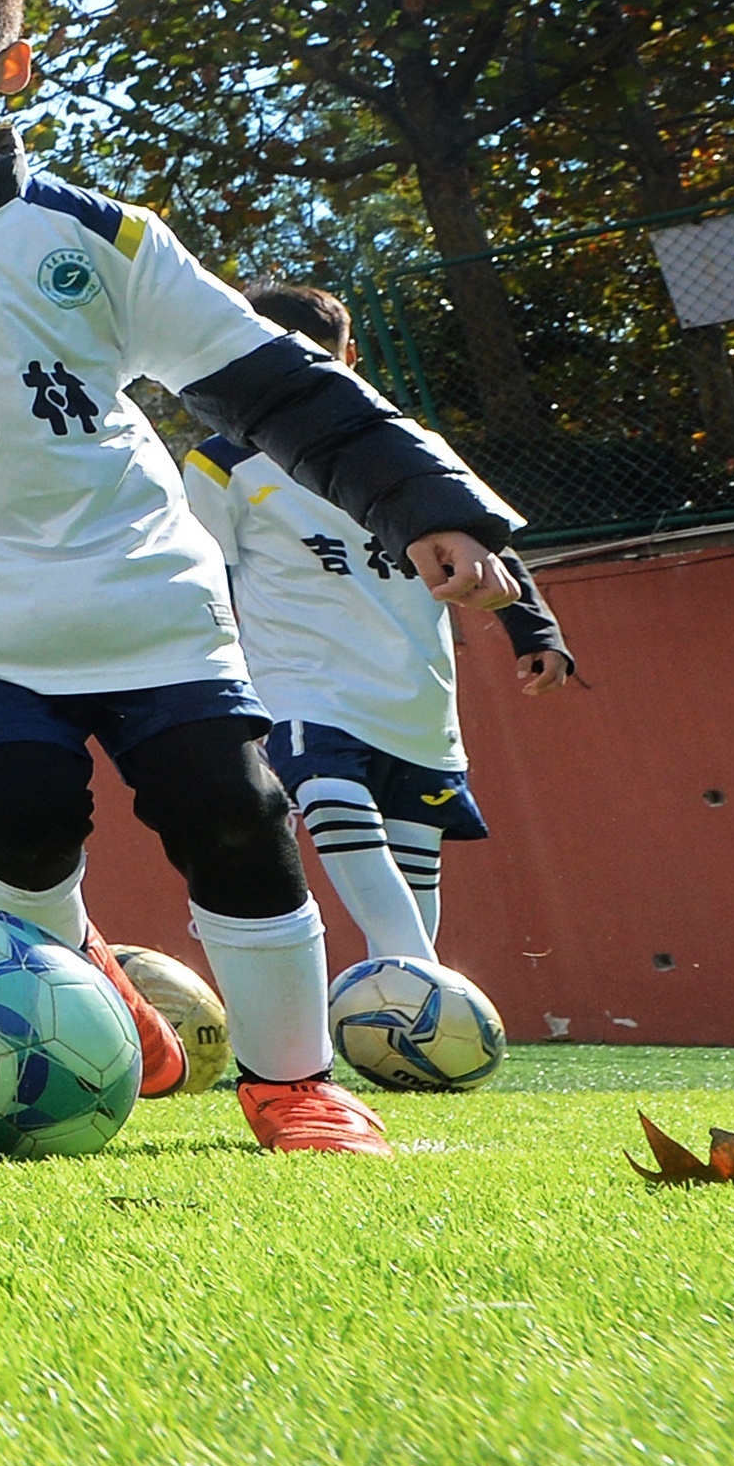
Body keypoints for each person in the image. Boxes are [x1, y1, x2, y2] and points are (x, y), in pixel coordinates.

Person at [0, 0, 530, 1153]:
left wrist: (431, 507)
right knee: (24, 820)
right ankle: (46, 975)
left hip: (140, 588)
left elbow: (276, 387)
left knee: (234, 813)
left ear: (11, 67)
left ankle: (289, 1086)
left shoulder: (101, 235)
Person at [186, 282, 579, 968]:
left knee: (414, 846)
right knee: (334, 803)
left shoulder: (411, 449)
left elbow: (484, 541)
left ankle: (404, 997)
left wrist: (535, 630)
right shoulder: (222, 464)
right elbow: (200, 569)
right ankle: (420, 984)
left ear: (351, 359)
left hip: (415, 691)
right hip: (305, 684)